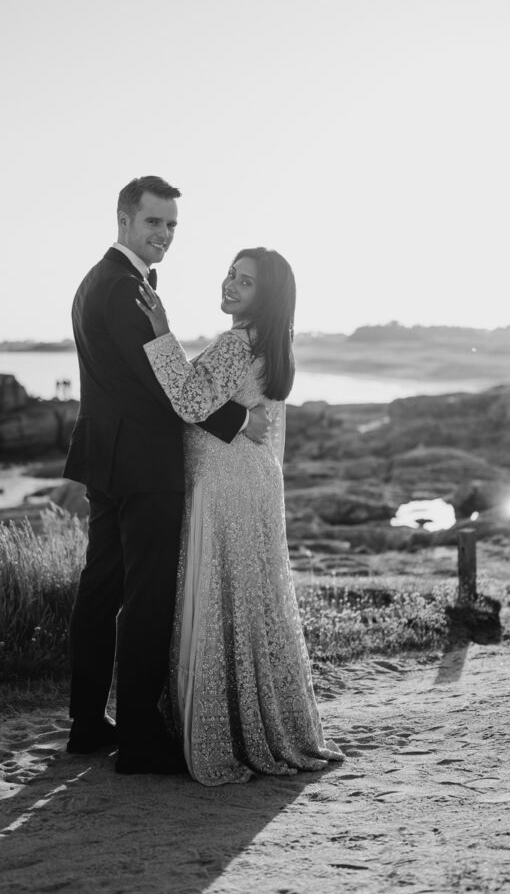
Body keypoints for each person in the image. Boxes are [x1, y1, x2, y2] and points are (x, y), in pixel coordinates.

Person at [63, 176, 270, 775]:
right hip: (145, 465)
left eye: (172, 225)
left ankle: (85, 725)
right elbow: (170, 388)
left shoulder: (95, 280)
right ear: (125, 220)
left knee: (100, 589)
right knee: (145, 600)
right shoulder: (125, 289)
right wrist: (238, 417)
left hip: (106, 457)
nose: (165, 236)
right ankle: (137, 740)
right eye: (154, 223)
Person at [136, 248, 345, 785]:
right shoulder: (274, 344)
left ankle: (221, 730)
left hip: (224, 482)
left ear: (265, 296)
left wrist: (161, 332)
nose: (230, 284)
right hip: (253, 479)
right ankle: (265, 722)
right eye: (231, 273)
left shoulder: (236, 341)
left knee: (221, 599)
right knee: (251, 603)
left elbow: (187, 399)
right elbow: (239, 411)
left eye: (245, 281)